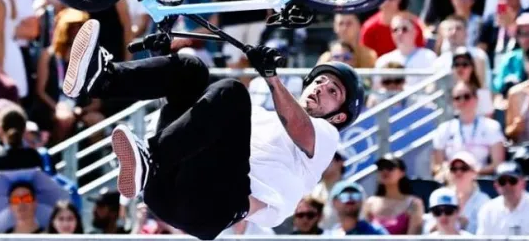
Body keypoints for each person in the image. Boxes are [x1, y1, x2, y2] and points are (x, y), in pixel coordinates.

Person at [62, 19, 364, 240]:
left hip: (208, 208)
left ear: (338, 116)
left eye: (333, 91)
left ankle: (151, 158)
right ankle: (101, 80)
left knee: (232, 92)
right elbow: (194, 129)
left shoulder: (325, 136)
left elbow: (300, 129)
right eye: (320, 80)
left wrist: (271, 78)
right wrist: (163, 63)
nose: (321, 88)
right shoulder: (259, 118)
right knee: (191, 71)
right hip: (167, 190)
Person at [476, 162, 529, 235]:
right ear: (496, 185)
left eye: (513, 181)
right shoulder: (487, 210)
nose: (507, 186)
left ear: (523, 183)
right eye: (502, 182)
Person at [363, 155, 424, 235]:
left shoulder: (413, 203)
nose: (384, 171)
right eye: (381, 168)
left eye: (389, 167)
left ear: (402, 173)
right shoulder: (369, 203)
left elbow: (413, 238)